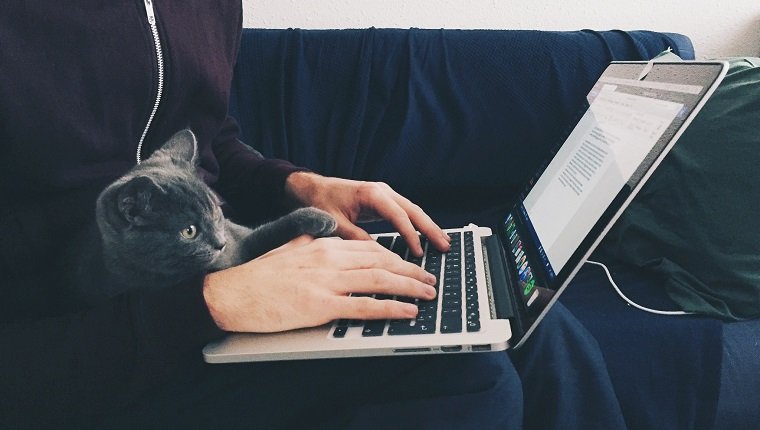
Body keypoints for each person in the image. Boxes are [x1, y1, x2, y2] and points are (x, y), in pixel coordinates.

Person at [0, 2, 626, 428]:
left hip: (210, 273)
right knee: (471, 377)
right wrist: (211, 305)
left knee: (531, 320)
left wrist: (298, 185)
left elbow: (208, 138)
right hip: (88, 349)